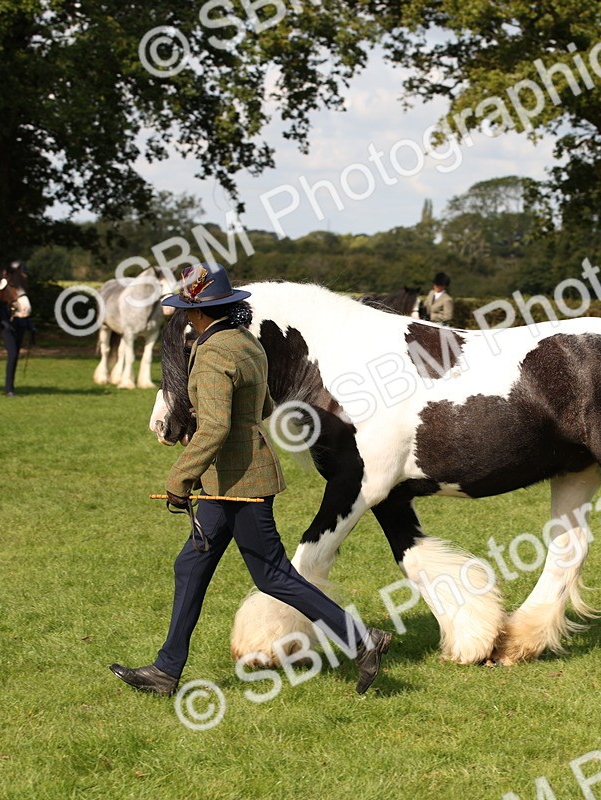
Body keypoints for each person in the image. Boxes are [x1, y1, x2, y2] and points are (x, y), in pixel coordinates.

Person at [110, 263, 392, 697]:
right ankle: (166, 670)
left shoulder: (213, 352)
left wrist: (180, 476)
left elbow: (216, 428)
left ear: (201, 312)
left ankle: (361, 640)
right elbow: (264, 407)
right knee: (190, 565)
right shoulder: (244, 342)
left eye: (188, 310)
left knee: (273, 576)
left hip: (240, 483)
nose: (186, 318)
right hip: (230, 479)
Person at [0, 260, 34, 397]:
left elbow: (24, 307)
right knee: (12, 354)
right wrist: (4, 320)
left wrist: (30, 324)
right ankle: (8, 388)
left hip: (20, 322)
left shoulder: (21, 286)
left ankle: (10, 386)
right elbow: (0, 303)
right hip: (8, 323)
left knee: (15, 355)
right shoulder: (5, 284)